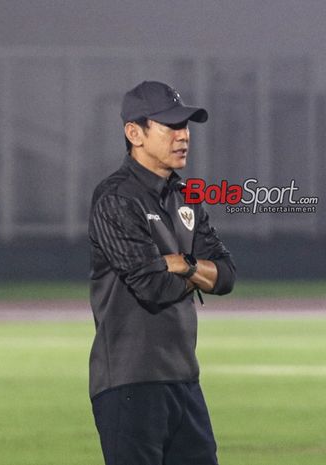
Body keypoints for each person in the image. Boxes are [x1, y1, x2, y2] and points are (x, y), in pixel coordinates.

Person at [88, 80, 236, 465]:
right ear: (134, 133)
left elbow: (227, 276)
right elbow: (152, 285)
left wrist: (180, 263)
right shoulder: (116, 197)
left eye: (185, 126)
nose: (183, 136)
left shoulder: (187, 196)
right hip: (129, 385)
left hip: (185, 381)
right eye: (170, 126)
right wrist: (193, 270)